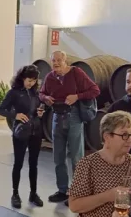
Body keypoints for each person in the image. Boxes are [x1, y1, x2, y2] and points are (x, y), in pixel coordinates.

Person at [39, 51, 100, 204]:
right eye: (54, 60)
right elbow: (41, 93)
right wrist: (46, 98)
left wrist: (77, 97)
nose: (56, 63)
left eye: (60, 60)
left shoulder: (76, 73)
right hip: (56, 117)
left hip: (73, 117)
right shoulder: (50, 77)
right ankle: (62, 190)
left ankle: (78, 192)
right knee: (58, 157)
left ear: (66, 61)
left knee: (76, 157)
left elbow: (95, 90)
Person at [0, 65, 45, 209]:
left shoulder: (35, 93)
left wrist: (39, 113)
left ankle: (33, 193)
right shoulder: (14, 93)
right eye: (29, 80)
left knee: (34, 163)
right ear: (22, 78)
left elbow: (35, 111)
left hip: (36, 131)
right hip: (21, 132)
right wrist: (15, 115)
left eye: (34, 80)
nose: (31, 83)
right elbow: (0, 109)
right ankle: (15, 194)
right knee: (18, 163)